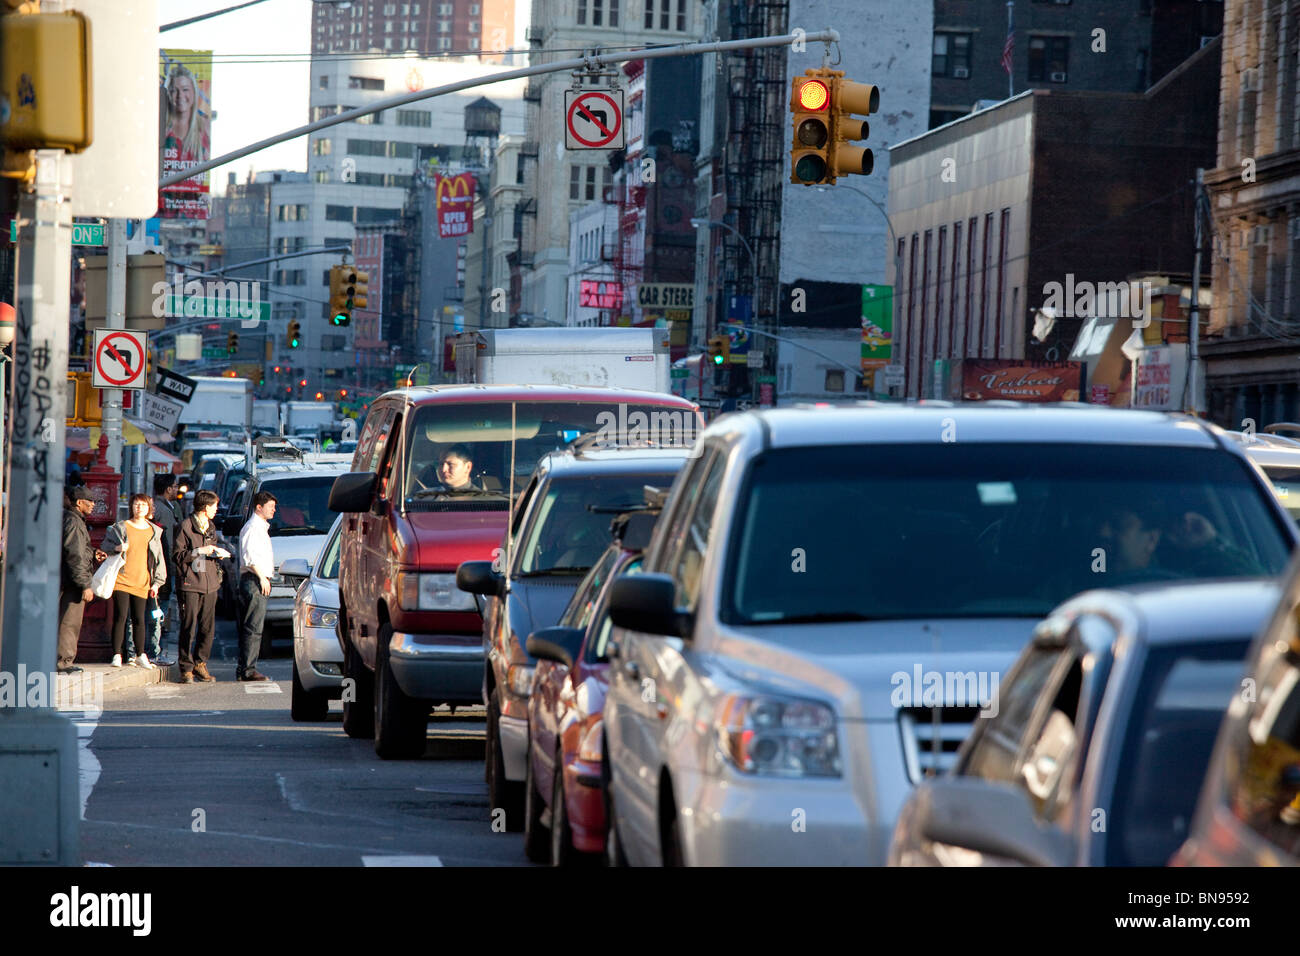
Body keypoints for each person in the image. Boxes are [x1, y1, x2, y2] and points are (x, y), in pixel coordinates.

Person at [103, 494, 167, 670]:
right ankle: (117, 654)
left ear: (148, 509)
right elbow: (105, 546)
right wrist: (117, 548)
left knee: (140, 619)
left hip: (143, 581)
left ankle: (140, 655)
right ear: (131, 507)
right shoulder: (121, 527)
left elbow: (159, 558)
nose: (139, 508)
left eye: (143, 505)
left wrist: (156, 583)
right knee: (121, 616)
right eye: (136, 505)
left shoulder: (154, 531)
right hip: (122, 579)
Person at [175, 489, 229, 683]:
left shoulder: (211, 526)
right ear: (205, 507)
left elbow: (210, 551)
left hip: (210, 583)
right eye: (214, 506)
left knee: (208, 628)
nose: (216, 509)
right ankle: (185, 668)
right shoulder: (185, 526)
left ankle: (200, 663)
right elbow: (178, 556)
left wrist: (216, 552)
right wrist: (199, 550)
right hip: (190, 583)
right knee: (189, 626)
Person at [58, 486, 101, 675]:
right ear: (79, 502)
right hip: (72, 582)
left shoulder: (74, 520)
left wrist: (93, 553)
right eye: (89, 500)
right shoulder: (74, 522)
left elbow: (80, 550)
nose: (93, 504)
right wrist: (85, 584)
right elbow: (74, 555)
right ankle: (63, 662)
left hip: (68, 579)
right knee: (69, 623)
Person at [236, 491, 276, 682]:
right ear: (259, 507)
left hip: (256, 579)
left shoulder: (260, 527)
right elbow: (250, 558)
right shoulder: (253, 527)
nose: (274, 510)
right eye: (270, 506)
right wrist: (262, 578)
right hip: (253, 580)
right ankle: (248, 670)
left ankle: (245, 667)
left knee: (251, 626)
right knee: (253, 627)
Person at [151, 473, 181, 664]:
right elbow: (165, 542)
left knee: (162, 606)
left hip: (167, 565)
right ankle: (154, 648)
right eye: (175, 486)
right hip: (163, 567)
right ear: (168, 488)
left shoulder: (170, 507)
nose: (177, 489)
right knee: (158, 609)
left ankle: (156, 646)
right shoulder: (161, 509)